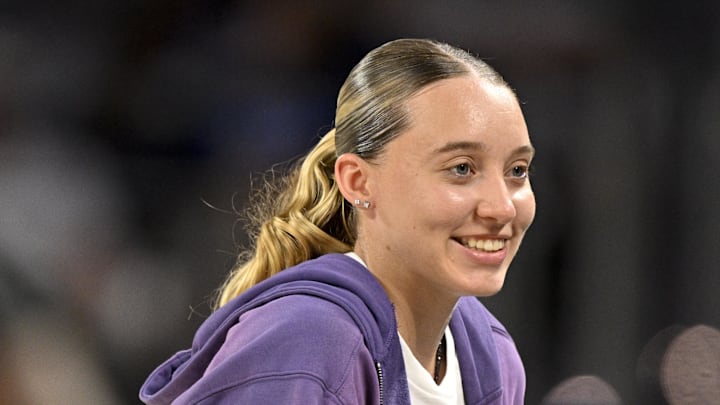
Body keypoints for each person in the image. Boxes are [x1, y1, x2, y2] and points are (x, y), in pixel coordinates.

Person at [140, 38, 535, 405]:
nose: (501, 208)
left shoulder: (493, 356)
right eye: (461, 168)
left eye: (517, 170)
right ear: (358, 181)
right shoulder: (306, 346)